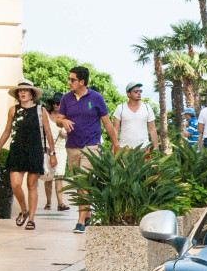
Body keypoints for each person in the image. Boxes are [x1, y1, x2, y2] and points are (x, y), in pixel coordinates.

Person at [53, 65, 115, 233]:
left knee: (84, 182)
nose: (69, 82)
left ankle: (80, 220)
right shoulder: (66, 98)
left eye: (72, 79)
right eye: (69, 79)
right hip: (72, 147)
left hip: (91, 145)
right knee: (79, 184)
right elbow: (58, 119)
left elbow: (107, 123)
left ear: (82, 81)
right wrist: (63, 122)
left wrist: (115, 144)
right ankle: (87, 214)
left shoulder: (96, 98)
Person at [0, 80, 53, 231]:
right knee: (15, 185)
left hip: (34, 151)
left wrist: (52, 153)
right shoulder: (13, 110)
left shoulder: (41, 110)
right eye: (20, 91)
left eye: (26, 90)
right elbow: (7, 131)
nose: (23, 93)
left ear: (32, 93)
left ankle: (31, 219)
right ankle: (24, 210)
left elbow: (48, 132)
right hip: (17, 151)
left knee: (32, 185)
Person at [113, 81, 160, 153]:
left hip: (143, 149)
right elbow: (115, 129)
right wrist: (114, 147)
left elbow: (152, 129)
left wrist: (156, 147)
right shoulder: (120, 108)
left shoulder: (147, 108)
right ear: (128, 94)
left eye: (140, 91)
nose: (139, 93)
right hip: (125, 149)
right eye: (135, 91)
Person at [41, 96, 69, 211]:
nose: (57, 105)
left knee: (59, 176)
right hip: (48, 148)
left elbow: (73, 132)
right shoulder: (46, 115)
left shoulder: (66, 118)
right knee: (48, 177)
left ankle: (60, 203)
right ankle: (48, 202)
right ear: (52, 104)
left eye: (60, 103)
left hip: (61, 149)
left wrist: (66, 134)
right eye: (55, 103)